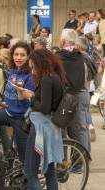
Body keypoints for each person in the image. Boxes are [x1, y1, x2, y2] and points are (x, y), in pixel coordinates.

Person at [0, 42, 35, 162]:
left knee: (24, 158)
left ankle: (23, 179)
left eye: (22, 55)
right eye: (16, 54)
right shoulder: (13, 71)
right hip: (8, 113)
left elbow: (26, 100)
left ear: (28, 56)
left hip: (21, 118)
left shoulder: (29, 76)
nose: (18, 58)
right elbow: (8, 98)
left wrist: (20, 89)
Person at [22, 49, 65, 189]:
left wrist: (31, 96)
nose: (32, 70)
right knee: (49, 171)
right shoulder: (56, 76)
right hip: (52, 127)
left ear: (39, 64)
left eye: (33, 66)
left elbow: (45, 108)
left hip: (40, 127)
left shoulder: (47, 79)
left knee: (30, 172)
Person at [56, 29, 86, 166]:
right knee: (74, 130)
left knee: (61, 131)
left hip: (61, 97)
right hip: (75, 95)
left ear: (62, 41)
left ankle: (63, 165)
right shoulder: (80, 56)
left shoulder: (57, 57)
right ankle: (78, 163)